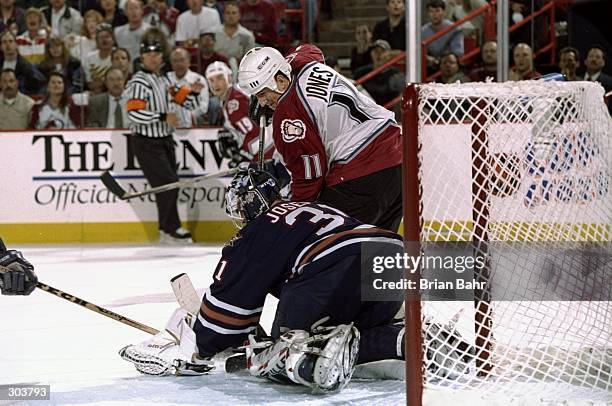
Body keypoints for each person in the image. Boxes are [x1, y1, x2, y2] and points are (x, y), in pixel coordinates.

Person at [118, 168, 474, 390]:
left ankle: (308, 352)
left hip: (332, 264)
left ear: (246, 207)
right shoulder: (318, 208)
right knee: (351, 335)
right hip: (393, 253)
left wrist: (200, 344)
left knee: (282, 353)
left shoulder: (257, 230)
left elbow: (226, 317)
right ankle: (406, 340)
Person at [237, 45, 403, 232]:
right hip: (398, 160)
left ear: (281, 81)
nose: (261, 102)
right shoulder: (305, 63)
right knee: (378, 248)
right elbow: (310, 50)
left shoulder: (288, 117)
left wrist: (294, 212)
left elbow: (310, 177)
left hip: (362, 176)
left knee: (321, 244)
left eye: (262, 94)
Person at [125, 37, 205, 243]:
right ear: (142, 57)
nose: (153, 58)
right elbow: (134, 113)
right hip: (146, 142)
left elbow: (184, 102)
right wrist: (162, 117)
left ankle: (166, 229)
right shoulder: (139, 81)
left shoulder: (164, 80)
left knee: (167, 186)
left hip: (165, 140)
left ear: (161, 57)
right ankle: (171, 229)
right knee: (168, 184)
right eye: (149, 54)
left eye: (157, 54)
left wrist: (194, 93)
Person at [205, 60, 273, 166]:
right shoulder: (231, 96)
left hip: (268, 150)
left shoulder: (234, 101)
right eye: (211, 80)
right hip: (268, 146)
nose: (216, 84)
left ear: (229, 77)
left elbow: (255, 132)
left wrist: (244, 155)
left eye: (220, 78)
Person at [167, 47, 209, 127]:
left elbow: (203, 107)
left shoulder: (198, 80)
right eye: (175, 61)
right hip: (169, 119)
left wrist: (186, 114)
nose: (179, 64)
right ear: (171, 64)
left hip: (191, 119)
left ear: (189, 62)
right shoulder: (165, 79)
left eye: (182, 60)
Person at [212, 1, 255, 72]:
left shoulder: (247, 36)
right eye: (228, 13)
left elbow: (250, 59)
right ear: (223, 15)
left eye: (234, 13)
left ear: (239, 15)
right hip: (216, 67)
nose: (231, 16)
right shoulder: (214, 33)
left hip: (238, 69)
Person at [421, 0, 464, 71]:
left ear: (443, 12)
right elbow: (419, 51)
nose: (434, 15)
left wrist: (441, 60)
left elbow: (458, 53)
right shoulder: (422, 31)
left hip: (450, 64)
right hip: (430, 66)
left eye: (437, 11)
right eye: (431, 11)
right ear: (427, 14)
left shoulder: (454, 29)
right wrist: (427, 57)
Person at [0, 30, 46, 95]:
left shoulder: (26, 66)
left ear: (16, 44)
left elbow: (42, 82)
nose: (8, 44)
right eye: (4, 42)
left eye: (10, 41)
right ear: (1, 47)